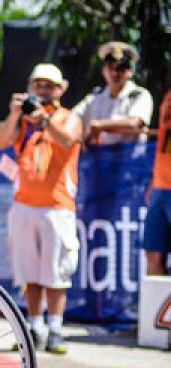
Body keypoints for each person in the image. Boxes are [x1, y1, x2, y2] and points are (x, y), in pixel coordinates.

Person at [0, 63, 83, 354]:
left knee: (56, 273)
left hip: (57, 207)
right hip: (24, 205)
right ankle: (34, 327)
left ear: (61, 89)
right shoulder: (25, 120)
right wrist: (14, 113)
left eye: (49, 86)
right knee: (29, 271)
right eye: (39, 85)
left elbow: (69, 140)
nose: (43, 90)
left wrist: (44, 118)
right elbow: (2, 142)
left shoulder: (68, 118)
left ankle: (56, 328)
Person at [72, 42, 153, 146]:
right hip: (98, 158)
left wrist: (99, 125)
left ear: (130, 72)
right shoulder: (95, 96)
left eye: (121, 69)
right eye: (110, 68)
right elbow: (75, 115)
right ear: (103, 70)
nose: (115, 73)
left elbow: (134, 123)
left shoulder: (140, 95)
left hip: (128, 159)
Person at [144, 86, 171, 275]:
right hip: (161, 187)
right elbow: (164, 136)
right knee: (153, 254)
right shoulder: (168, 95)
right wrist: (155, 179)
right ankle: (159, 305)